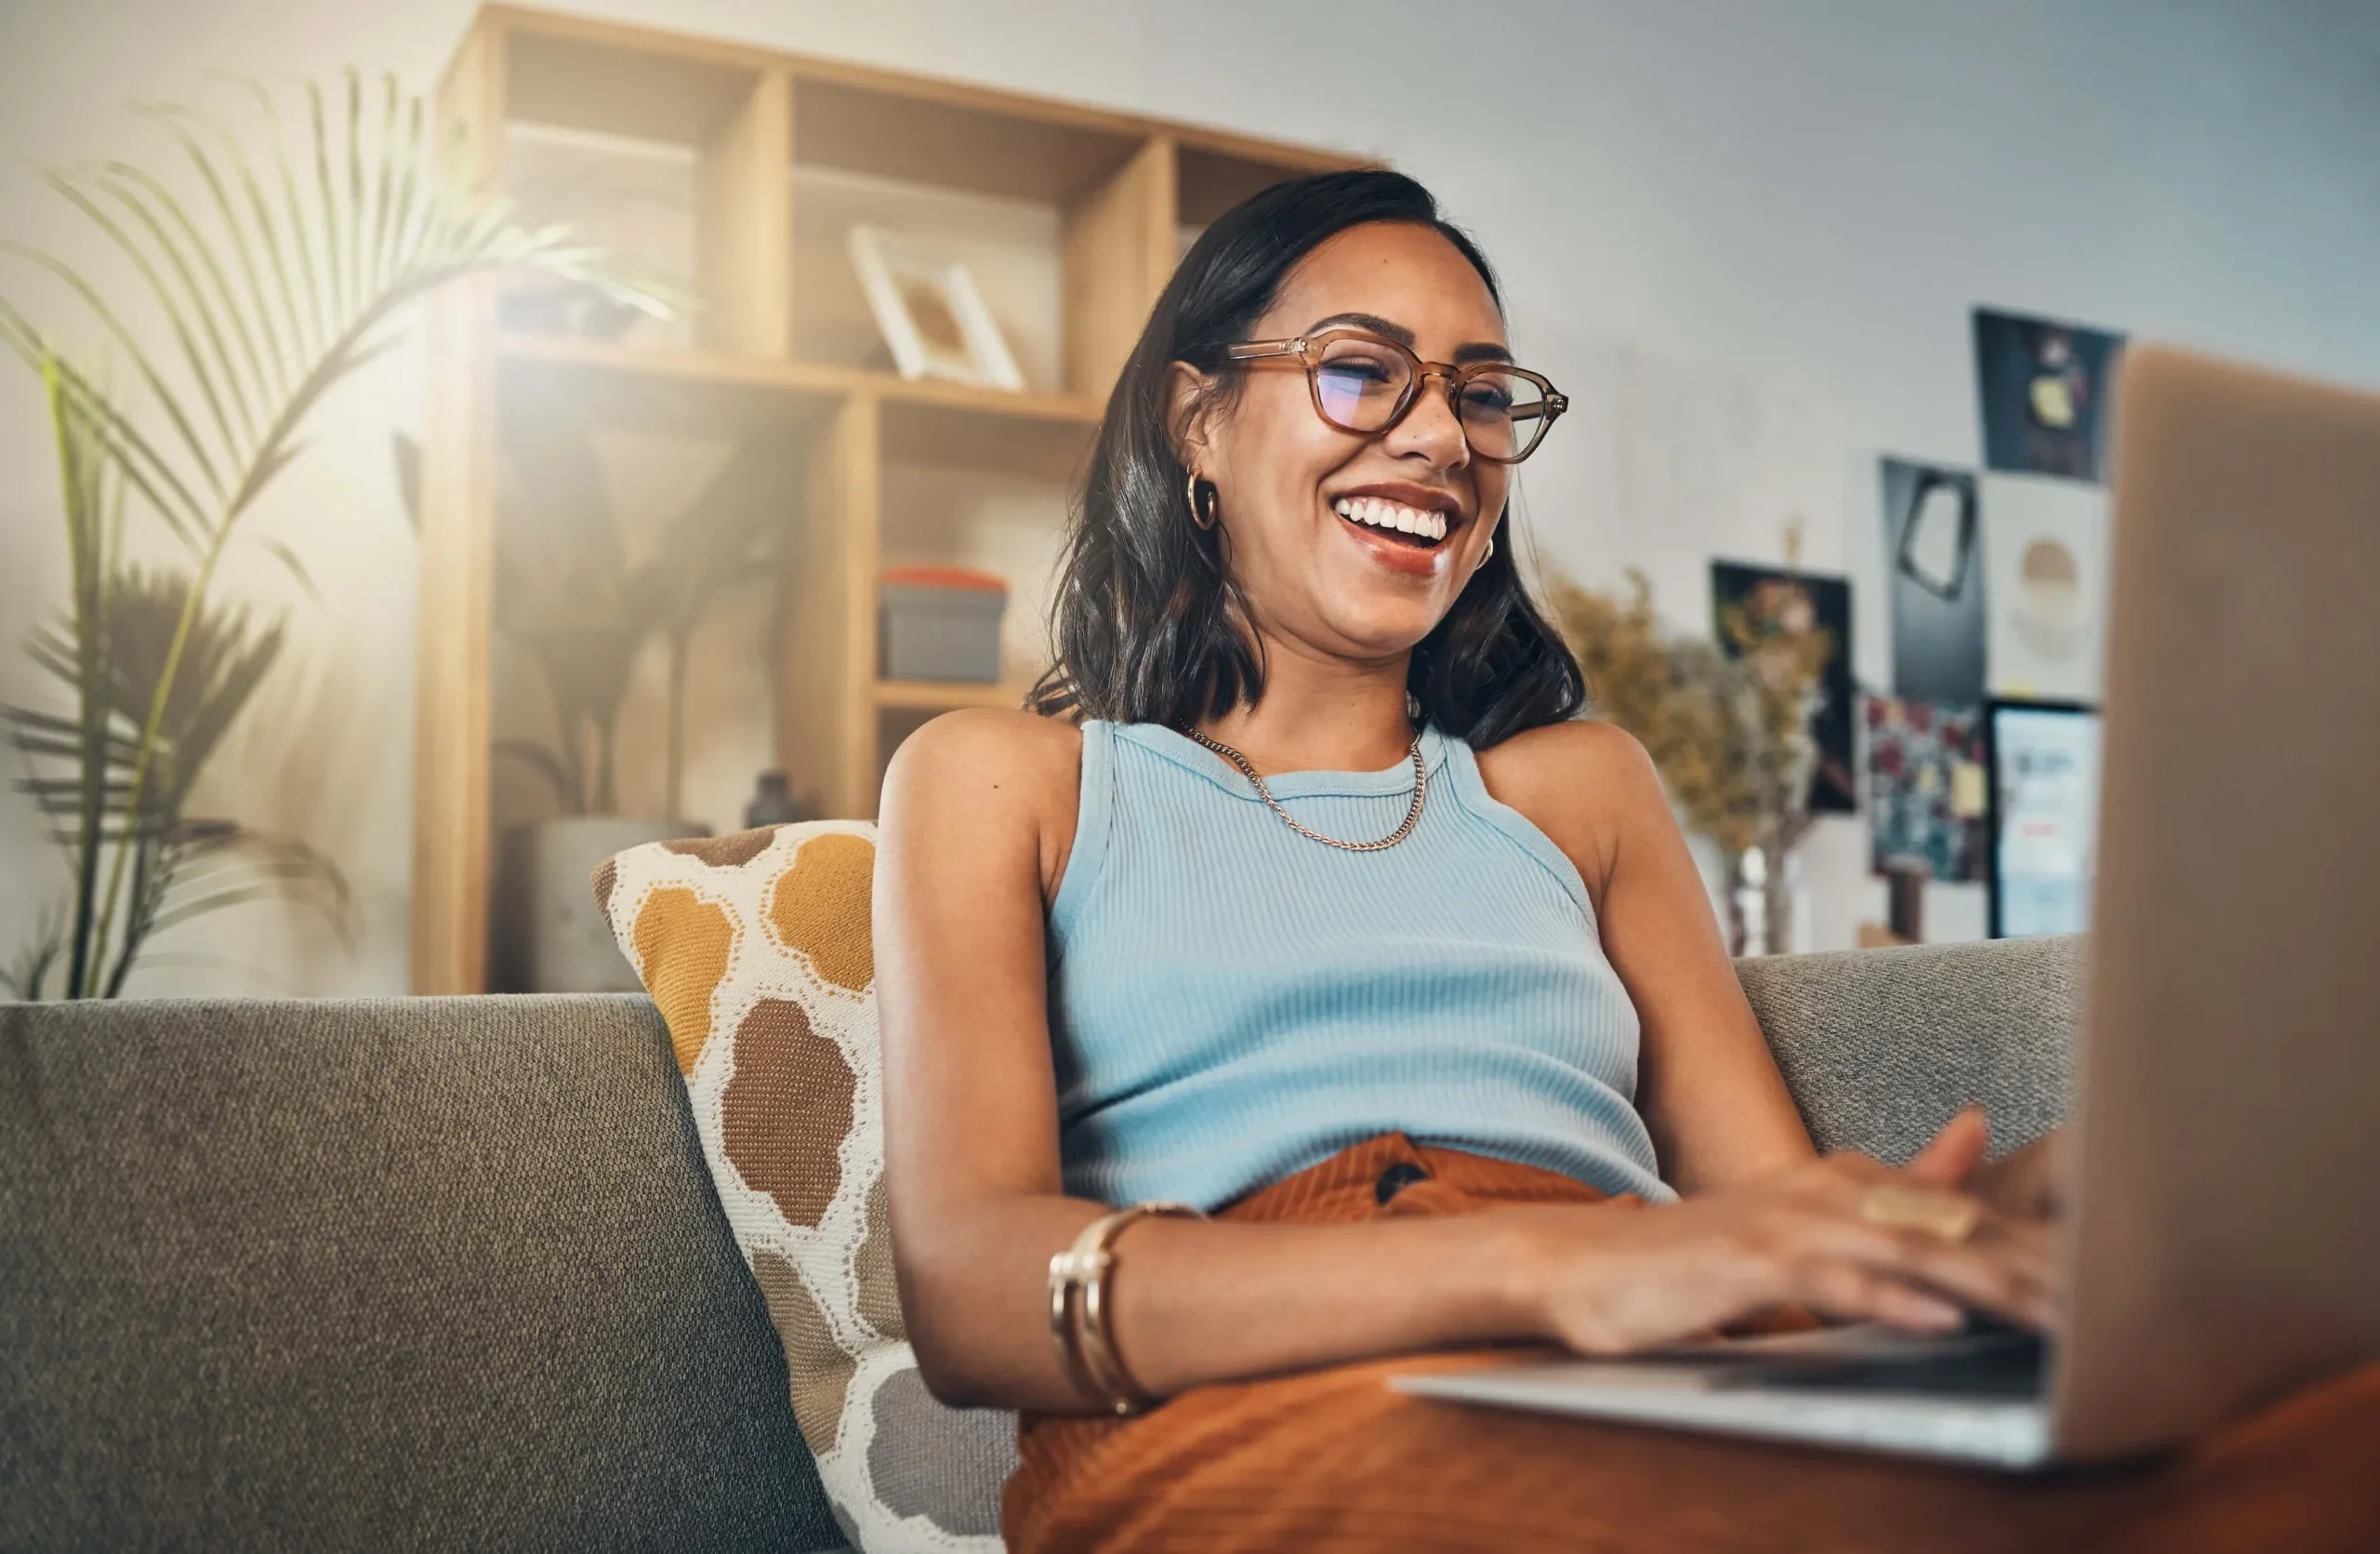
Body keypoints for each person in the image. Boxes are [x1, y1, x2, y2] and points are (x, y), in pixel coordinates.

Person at [873, 169, 2378, 1553]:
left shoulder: (1577, 791)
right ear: (1197, 422)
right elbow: (978, 1294)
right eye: (1360, 369)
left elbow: (1779, 1230)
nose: (1437, 434)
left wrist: (2025, 1217)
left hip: (1654, 1374)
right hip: (1245, 1405)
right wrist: (1541, 1268)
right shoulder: (1008, 782)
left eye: (1481, 394)